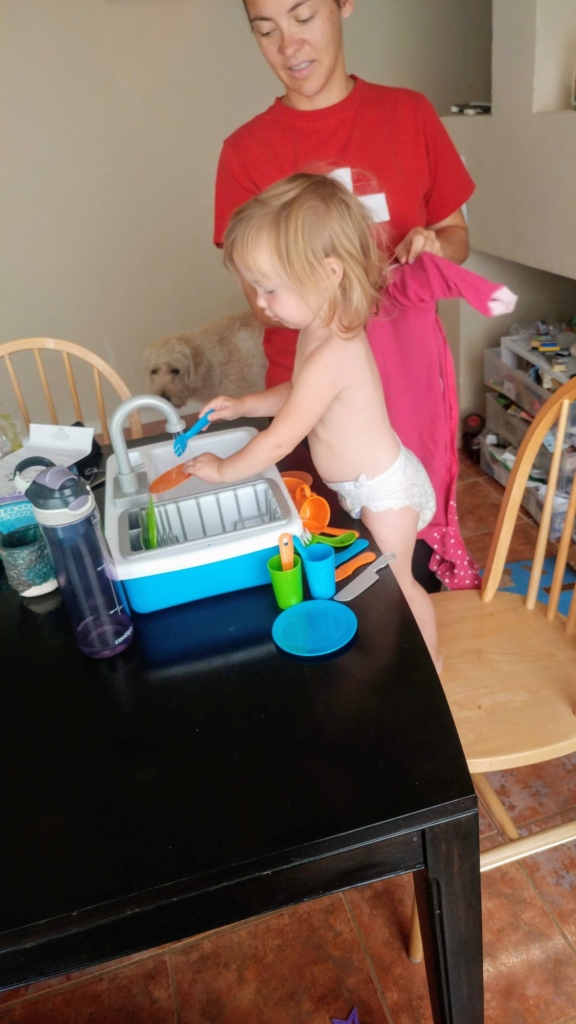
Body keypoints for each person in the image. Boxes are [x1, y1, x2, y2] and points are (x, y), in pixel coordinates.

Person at [214, 0, 477, 592]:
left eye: (304, 17)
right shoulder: (245, 152)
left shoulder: (409, 114)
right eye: (265, 29)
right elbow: (260, 290)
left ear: (343, 6)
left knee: (402, 576)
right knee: (324, 577)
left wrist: (436, 245)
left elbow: (458, 240)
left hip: (406, 394)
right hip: (307, 403)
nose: (288, 46)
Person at [188, 173, 443, 668]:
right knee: (378, 582)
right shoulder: (319, 329)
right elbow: (297, 394)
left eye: (270, 289)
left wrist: (222, 470)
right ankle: (400, 658)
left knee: (400, 584)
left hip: (383, 491)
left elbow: (282, 438)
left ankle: (429, 671)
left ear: (328, 272)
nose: (260, 303)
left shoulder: (333, 350)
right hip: (361, 485)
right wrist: (244, 405)